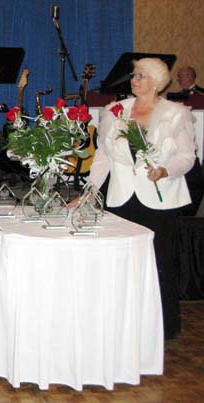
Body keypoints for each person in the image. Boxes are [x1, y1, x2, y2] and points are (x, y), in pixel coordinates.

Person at [88, 58, 196, 339]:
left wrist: (166, 171)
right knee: (123, 264)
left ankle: (161, 327)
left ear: (157, 82)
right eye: (134, 76)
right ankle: (124, 326)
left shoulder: (175, 114)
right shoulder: (115, 112)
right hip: (123, 198)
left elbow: (187, 157)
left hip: (160, 201)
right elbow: (103, 157)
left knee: (159, 260)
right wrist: (89, 192)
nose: (134, 80)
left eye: (141, 76)